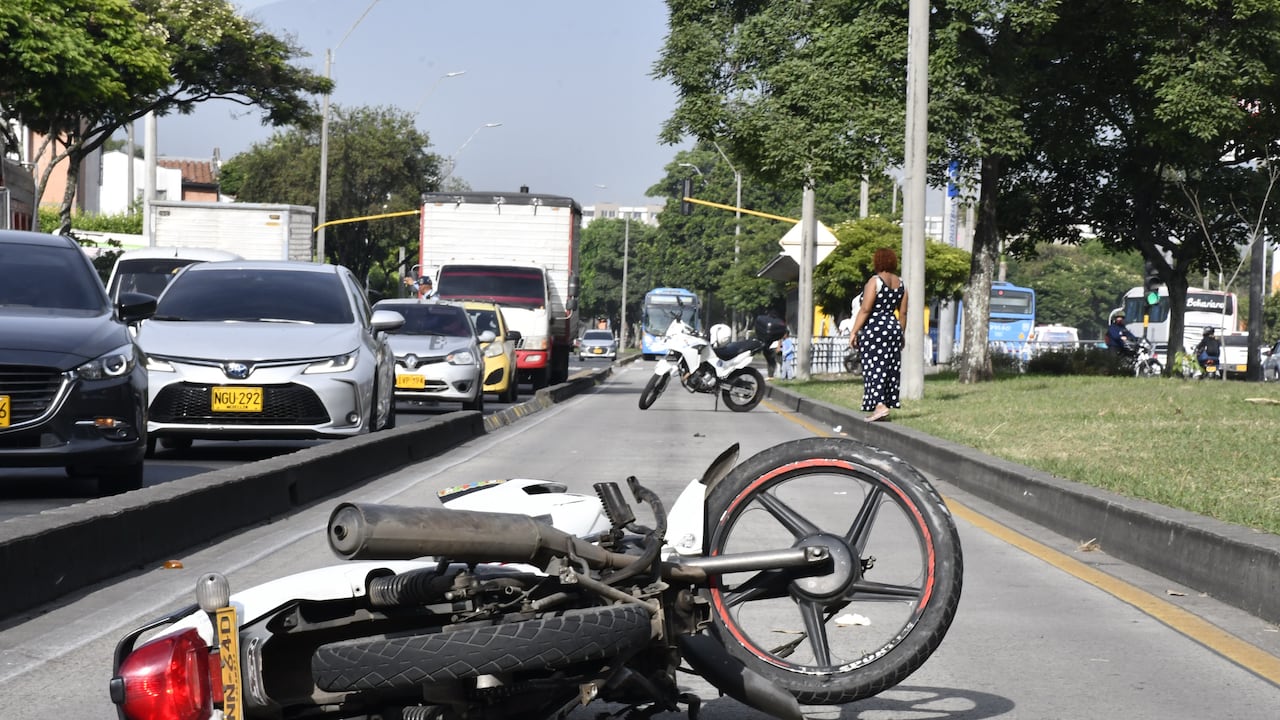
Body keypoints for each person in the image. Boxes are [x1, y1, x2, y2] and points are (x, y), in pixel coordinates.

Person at [849, 248, 907, 422]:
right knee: (889, 368)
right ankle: (884, 403)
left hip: (874, 329)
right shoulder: (901, 283)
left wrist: (854, 331)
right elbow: (903, 314)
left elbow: (865, 309)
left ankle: (879, 405)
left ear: (877, 262)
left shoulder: (875, 281)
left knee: (873, 367)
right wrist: (900, 334)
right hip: (893, 327)